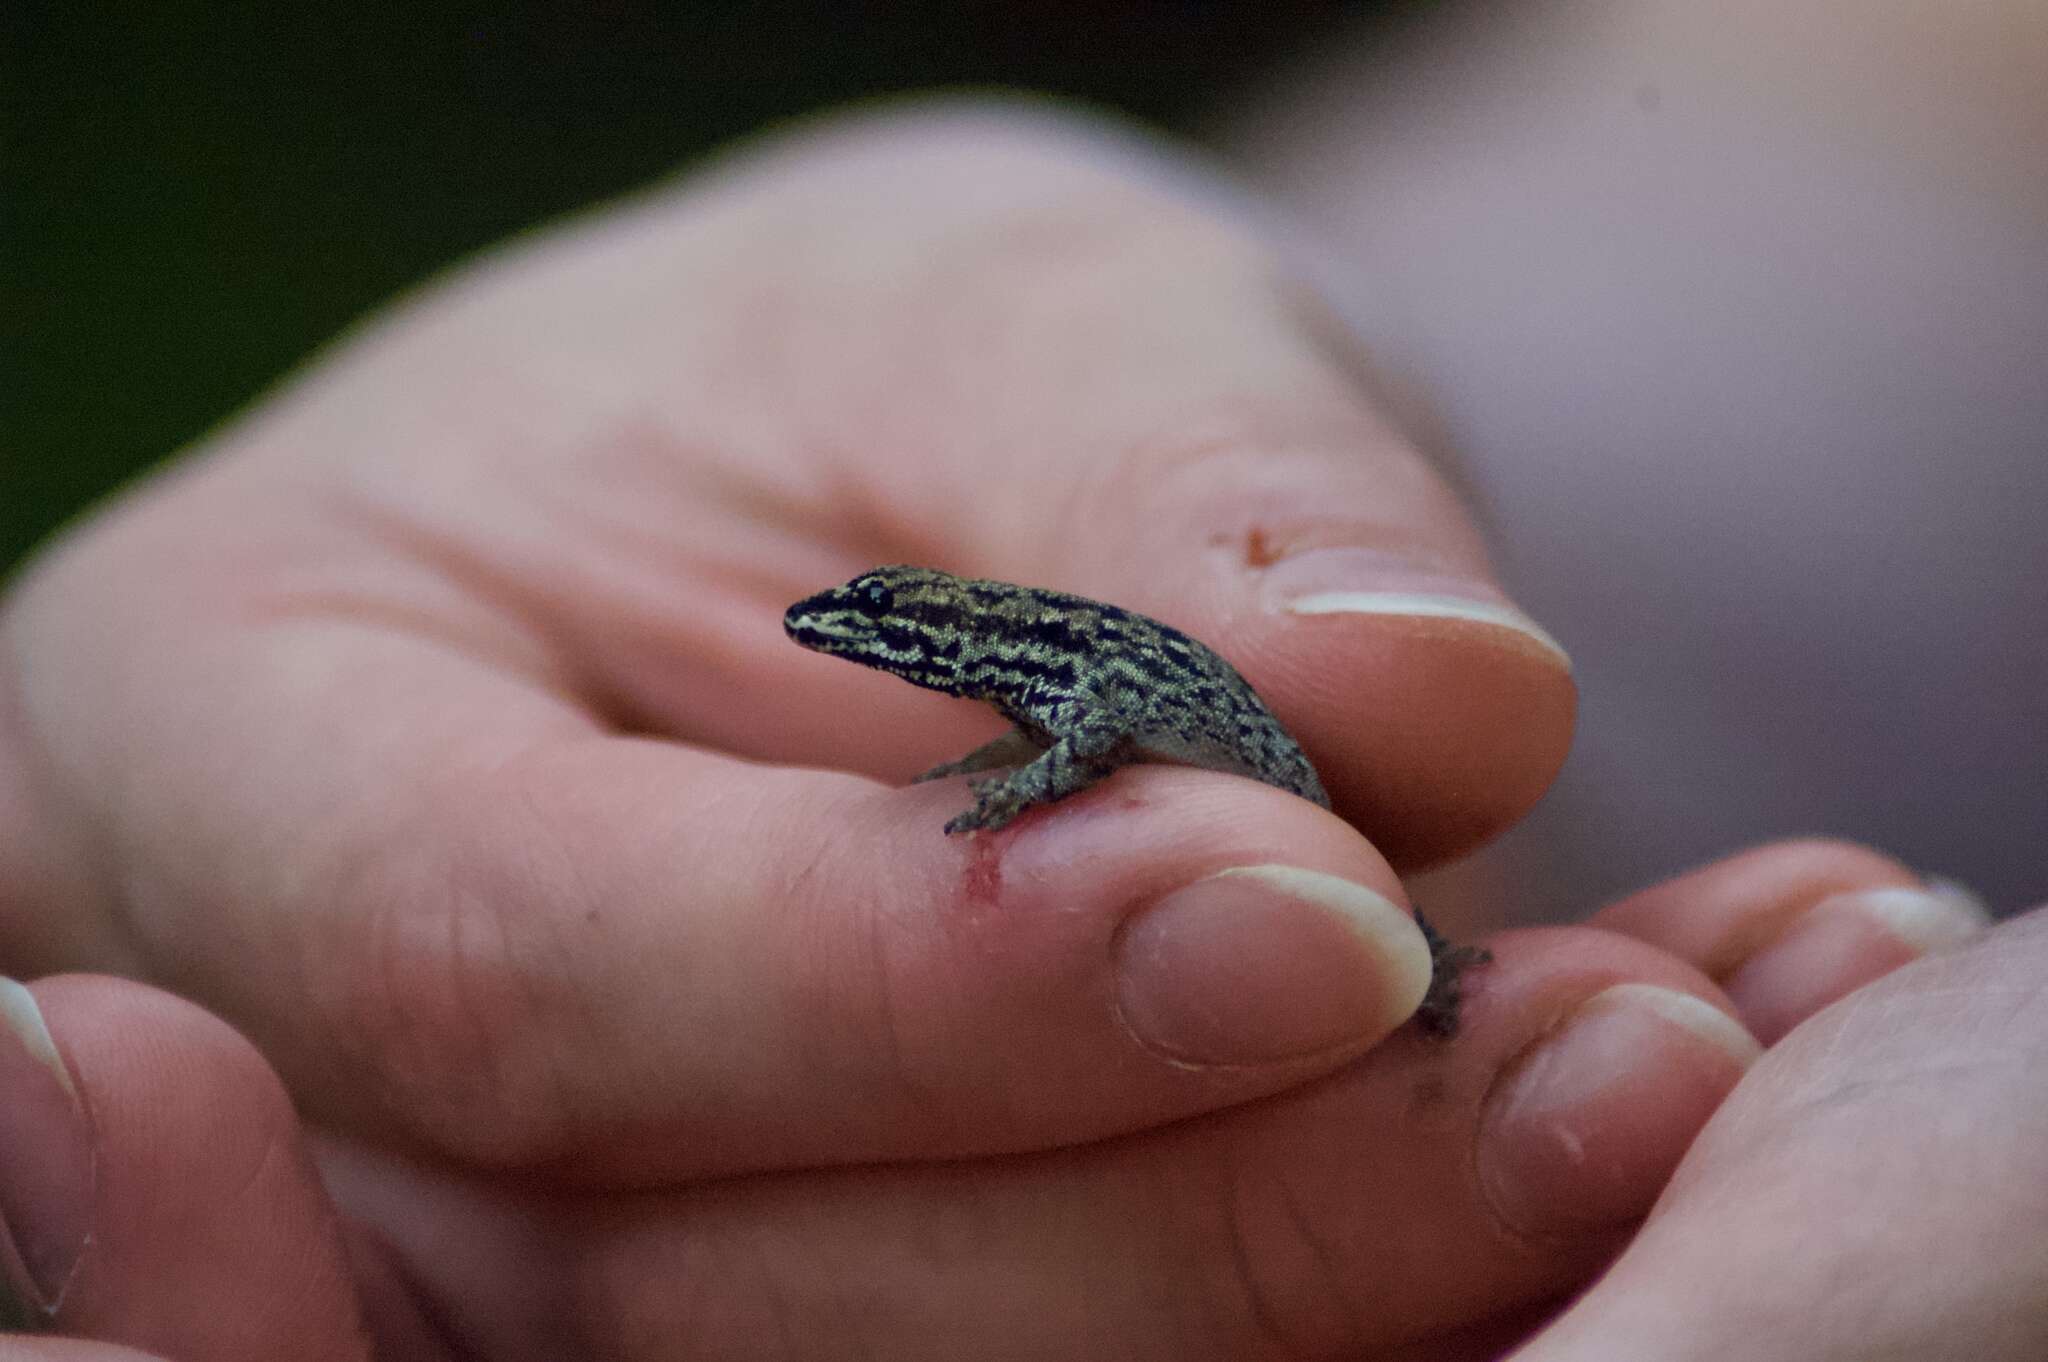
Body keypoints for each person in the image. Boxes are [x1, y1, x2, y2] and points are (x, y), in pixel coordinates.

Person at [0, 4, 2041, 1357]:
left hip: (1317, 832)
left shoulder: (1037, 684)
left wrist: (991, 812)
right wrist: (1205, 390)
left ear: (922, 641)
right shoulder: (1023, 648)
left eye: (862, 632)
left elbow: (1075, 740)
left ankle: (1427, 1000)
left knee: (1369, 978)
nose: (844, 650)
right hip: (1406, 813)